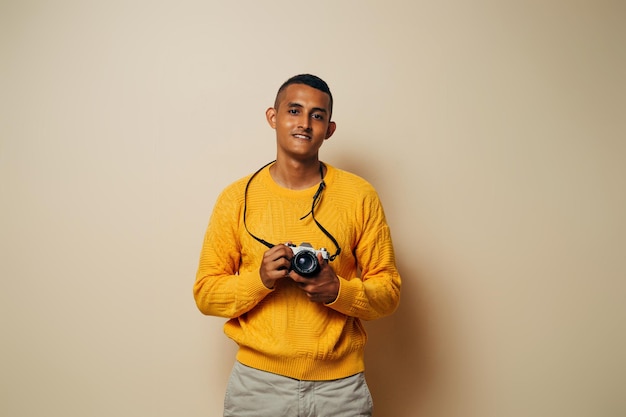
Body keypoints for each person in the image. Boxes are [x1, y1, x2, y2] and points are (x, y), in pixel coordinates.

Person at [194, 74, 401, 417]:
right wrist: (261, 279)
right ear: (273, 117)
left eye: (317, 115)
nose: (304, 123)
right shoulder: (236, 198)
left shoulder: (359, 195)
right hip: (258, 387)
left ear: (329, 129)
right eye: (294, 110)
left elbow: (389, 291)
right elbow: (205, 293)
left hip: (341, 388)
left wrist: (337, 290)